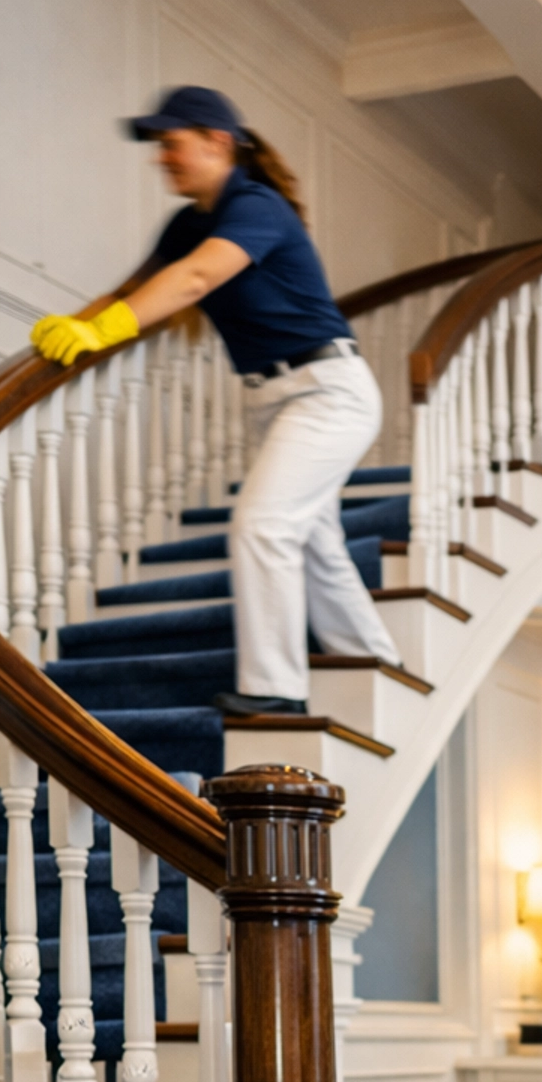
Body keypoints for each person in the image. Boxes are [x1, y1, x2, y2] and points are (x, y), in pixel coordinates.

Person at [29, 84, 401, 716]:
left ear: (218, 142)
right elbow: (137, 289)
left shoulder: (259, 206)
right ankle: (375, 661)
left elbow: (196, 279)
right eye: (159, 147)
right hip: (273, 397)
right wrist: (74, 327)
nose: (161, 157)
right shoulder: (187, 223)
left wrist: (100, 332)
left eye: (172, 144)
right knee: (314, 541)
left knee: (263, 524)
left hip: (328, 390)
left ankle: (276, 691)